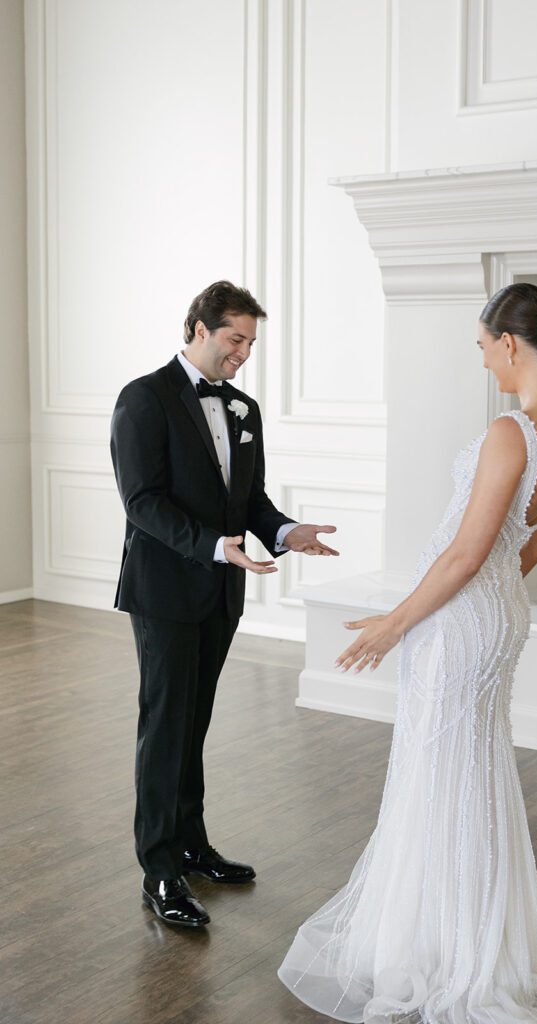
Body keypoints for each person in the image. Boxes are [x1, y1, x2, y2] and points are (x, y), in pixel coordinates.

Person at [278, 283, 537, 1022]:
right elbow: (536, 541)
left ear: (508, 342)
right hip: (496, 616)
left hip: (460, 622)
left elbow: (466, 552)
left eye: (482, 348)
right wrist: (487, 594)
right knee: (471, 769)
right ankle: (468, 932)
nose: (485, 365)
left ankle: (444, 949)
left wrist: (395, 624)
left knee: (439, 772)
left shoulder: (511, 431)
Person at [110, 280, 339, 929]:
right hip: (164, 590)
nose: (243, 354)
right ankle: (159, 871)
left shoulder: (243, 408)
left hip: (222, 591)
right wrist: (213, 545)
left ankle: (191, 844)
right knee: (164, 726)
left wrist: (287, 531)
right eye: (235, 339)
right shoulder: (144, 398)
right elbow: (142, 502)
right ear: (201, 328)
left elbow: (251, 502)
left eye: (250, 343)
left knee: (195, 719)